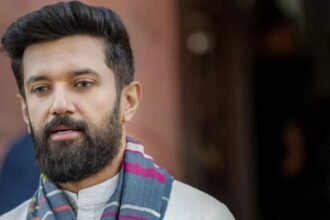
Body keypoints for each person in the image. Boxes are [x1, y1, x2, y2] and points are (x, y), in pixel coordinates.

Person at [0, 1, 234, 219]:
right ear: (25, 111)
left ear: (128, 101)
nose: (59, 104)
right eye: (41, 88)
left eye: (82, 83)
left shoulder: (201, 214)